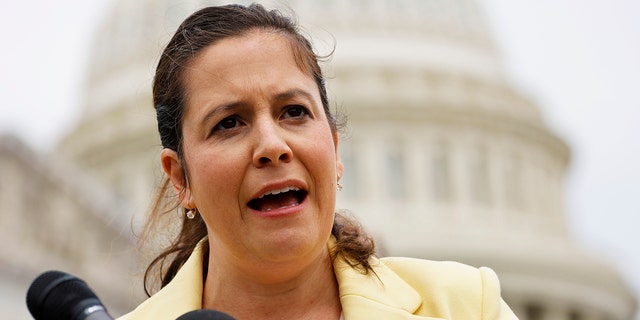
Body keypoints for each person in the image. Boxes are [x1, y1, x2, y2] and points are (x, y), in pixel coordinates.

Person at [119, 3, 518, 320]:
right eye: (228, 123)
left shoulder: (466, 308)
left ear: (334, 147)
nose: (272, 146)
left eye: (293, 111)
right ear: (179, 177)